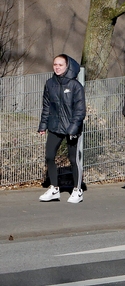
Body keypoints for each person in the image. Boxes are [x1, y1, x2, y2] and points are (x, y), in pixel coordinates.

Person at [37, 54, 86, 203]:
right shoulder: (50, 84)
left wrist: (73, 128)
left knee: (73, 159)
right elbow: (47, 107)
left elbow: (80, 110)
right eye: (55, 65)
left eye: (60, 65)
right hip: (54, 126)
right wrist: (43, 125)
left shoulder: (75, 85)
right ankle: (54, 188)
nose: (57, 67)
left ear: (67, 66)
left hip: (71, 128)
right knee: (49, 156)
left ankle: (77, 191)